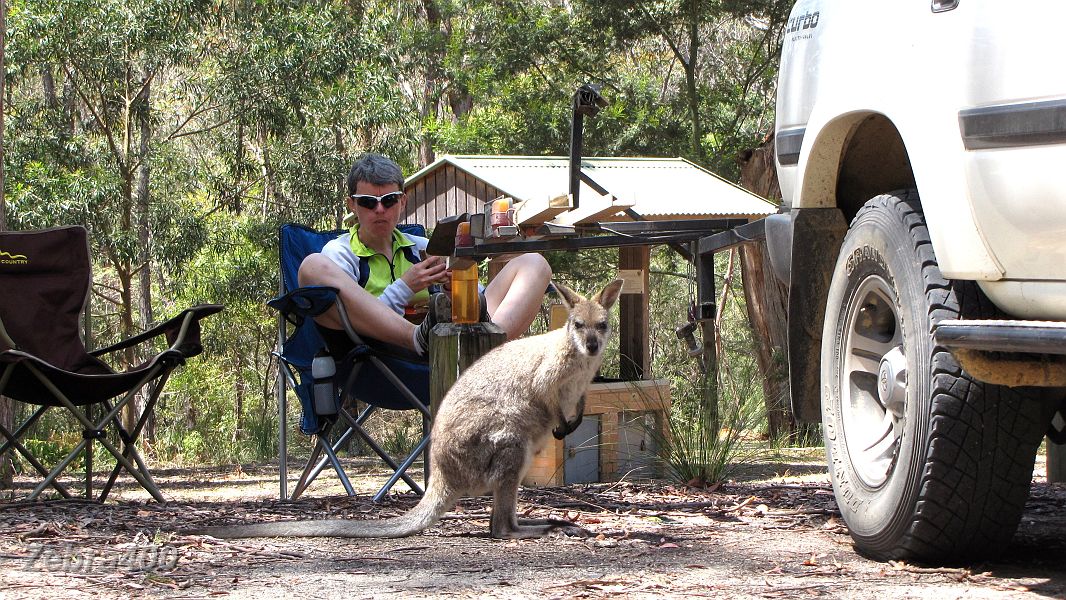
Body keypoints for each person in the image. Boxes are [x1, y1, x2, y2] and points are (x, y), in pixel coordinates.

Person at [299, 153, 552, 356]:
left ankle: (491, 348)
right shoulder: (340, 254)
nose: (379, 210)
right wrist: (406, 286)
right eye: (367, 202)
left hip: (451, 341)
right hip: (380, 355)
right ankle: (417, 338)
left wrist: (455, 289)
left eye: (388, 201)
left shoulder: (423, 247)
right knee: (312, 266)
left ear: (402, 202)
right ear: (352, 205)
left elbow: (476, 300)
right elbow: (356, 320)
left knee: (534, 262)